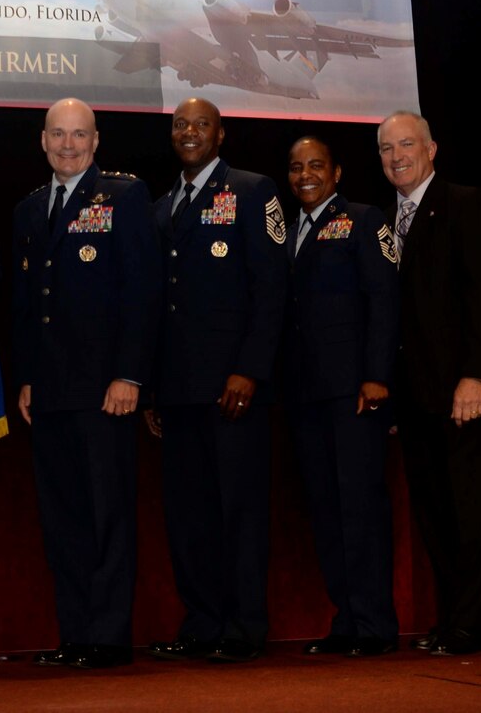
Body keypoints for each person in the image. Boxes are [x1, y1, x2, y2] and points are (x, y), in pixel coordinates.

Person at [12, 98, 160, 670]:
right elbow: (27, 307)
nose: (68, 145)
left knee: (108, 515)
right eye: (58, 135)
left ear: (96, 142)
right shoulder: (29, 209)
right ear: (42, 141)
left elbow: (142, 294)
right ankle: (74, 633)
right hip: (48, 392)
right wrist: (26, 378)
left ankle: (108, 635)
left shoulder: (123, 197)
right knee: (64, 517)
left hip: (105, 390)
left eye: (79, 135)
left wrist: (129, 374)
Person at [146, 97, 287, 663]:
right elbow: (157, 306)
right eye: (180, 125)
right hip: (178, 392)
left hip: (234, 389)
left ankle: (243, 627)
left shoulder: (254, 191)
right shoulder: (160, 208)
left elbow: (272, 289)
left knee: (240, 512)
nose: (189, 133)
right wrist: (154, 387)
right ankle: (202, 623)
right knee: (189, 516)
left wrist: (250, 370)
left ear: (220, 135)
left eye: (201, 125)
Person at [377, 111, 481, 655]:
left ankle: (474, 622)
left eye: (407, 144)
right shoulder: (386, 218)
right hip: (415, 395)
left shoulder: (465, 204)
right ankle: (456, 616)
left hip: (461, 393)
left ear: (432, 149)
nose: (396, 156)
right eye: (386, 148)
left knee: (471, 511)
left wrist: (475, 375)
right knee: (435, 512)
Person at [283, 136, 400, 657]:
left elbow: (385, 299)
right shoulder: (284, 231)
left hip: (355, 393)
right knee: (326, 511)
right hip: (305, 396)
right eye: (295, 168)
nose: (305, 174)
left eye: (315, 166)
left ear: (337, 173)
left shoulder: (365, 218)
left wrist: (377, 376)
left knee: (360, 510)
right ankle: (347, 620)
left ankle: (374, 625)